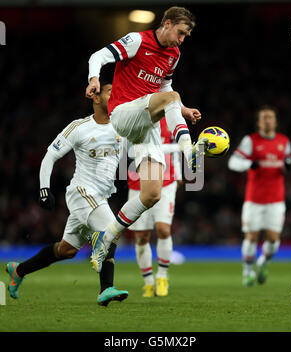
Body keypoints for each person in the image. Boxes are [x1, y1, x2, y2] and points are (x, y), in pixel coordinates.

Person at [85, 6, 208, 273]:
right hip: (123, 113)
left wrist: (183, 109)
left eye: (186, 35)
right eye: (181, 32)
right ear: (167, 23)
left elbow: (165, 87)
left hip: (146, 125)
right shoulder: (137, 41)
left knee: (151, 194)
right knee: (171, 101)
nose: (182, 39)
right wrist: (94, 78)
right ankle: (188, 150)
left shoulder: (173, 54)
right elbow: (99, 56)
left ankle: (105, 240)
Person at [6, 82, 128, 306]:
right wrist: (44, 188)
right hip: (81, 192)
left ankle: (19, 270)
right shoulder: (79, 127)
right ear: (96, 98)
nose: (117, 94)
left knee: (67, 250)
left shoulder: (122, 127)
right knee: (112, 228)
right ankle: (106, 289)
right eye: (111, 91)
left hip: (100, 197)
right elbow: (50, 156)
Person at [228, 105, 291, 286]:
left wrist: (287, 166)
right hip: (254, 200)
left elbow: (287, 163)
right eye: (264, 117)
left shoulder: (284, 141)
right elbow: (233, 163)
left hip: (276, 199)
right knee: (251, 237)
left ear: (275, 121)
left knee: (273, 240)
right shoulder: (251, 141)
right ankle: (247, 271)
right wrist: (249, 164)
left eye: (270, 117)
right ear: (259, 122)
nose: (267, 120)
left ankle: (263, 262)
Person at [127, 118, 182, 297]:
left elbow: (175, 148)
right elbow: (131, 151)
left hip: (166, 181)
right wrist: (184, 147)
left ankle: (162, 277)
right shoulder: (134, 118)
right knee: (141, 236)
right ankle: (149, 282)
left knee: (163, 229)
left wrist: (179, 173)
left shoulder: (171, 119)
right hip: (138, 183)